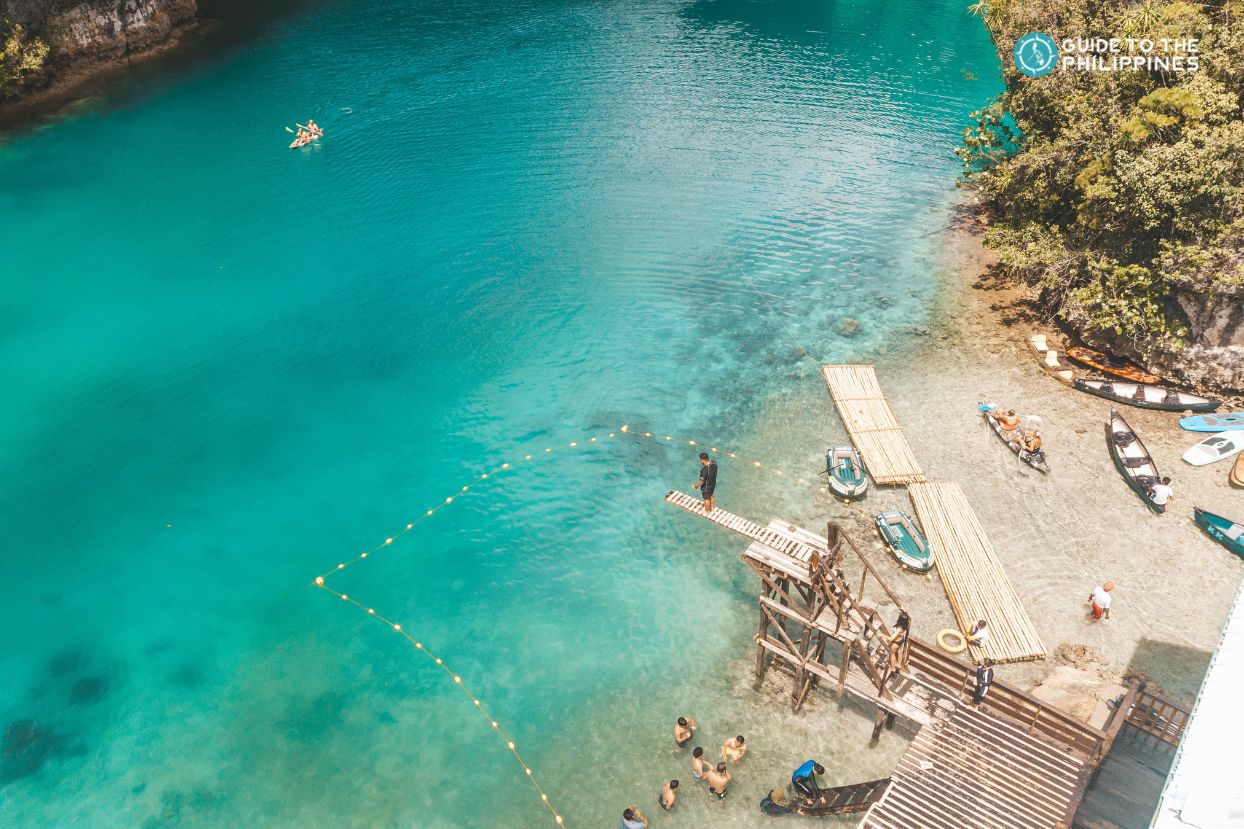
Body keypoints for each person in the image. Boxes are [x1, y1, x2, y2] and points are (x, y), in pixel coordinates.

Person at [886, 610, 912, 677]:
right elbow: (909, 618)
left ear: (900, 619)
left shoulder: (899, 628)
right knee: (899, 652)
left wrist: (881, 634)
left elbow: (891, 638)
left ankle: (893, 670)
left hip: (896, 641)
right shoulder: (907, 624)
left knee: (892, 654)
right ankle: (899, 665)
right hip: (901, 639)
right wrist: (904, 610)